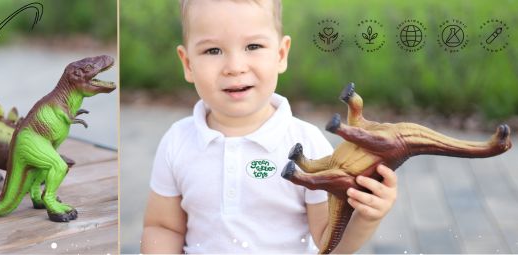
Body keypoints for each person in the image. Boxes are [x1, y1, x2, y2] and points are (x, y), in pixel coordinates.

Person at [141, 0, 397, 253]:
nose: (235, 67)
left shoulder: (306, 145)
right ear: (188, 64)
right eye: (213, 51)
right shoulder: (177, 142)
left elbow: (328, 242)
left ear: (280, 55)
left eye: (253, 46)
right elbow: (164, 227)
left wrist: (366, 218)